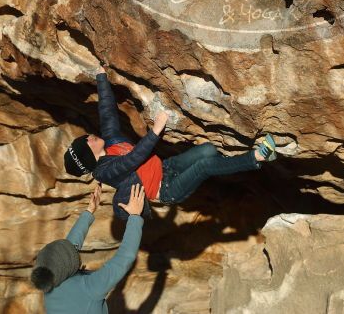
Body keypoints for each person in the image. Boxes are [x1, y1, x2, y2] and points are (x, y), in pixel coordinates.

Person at [63, 67, 278, 220]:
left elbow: (107, 113)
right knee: (204, 167)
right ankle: (257, 157)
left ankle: (239, 165)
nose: (89, 136)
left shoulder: (111, 142)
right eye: (87, 141)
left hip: (167, 167)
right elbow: (132, 159)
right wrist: (155, 130)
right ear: (89, 156)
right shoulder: (105, 172)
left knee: (209, 150)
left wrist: (101, 77)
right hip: (166, 190)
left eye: (87, 137)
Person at [30, 183, 146, 313]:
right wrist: (135, 217)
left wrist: (89, 211)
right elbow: (124, 258)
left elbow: (65, 254)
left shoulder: (50, 288)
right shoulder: (89, 287)